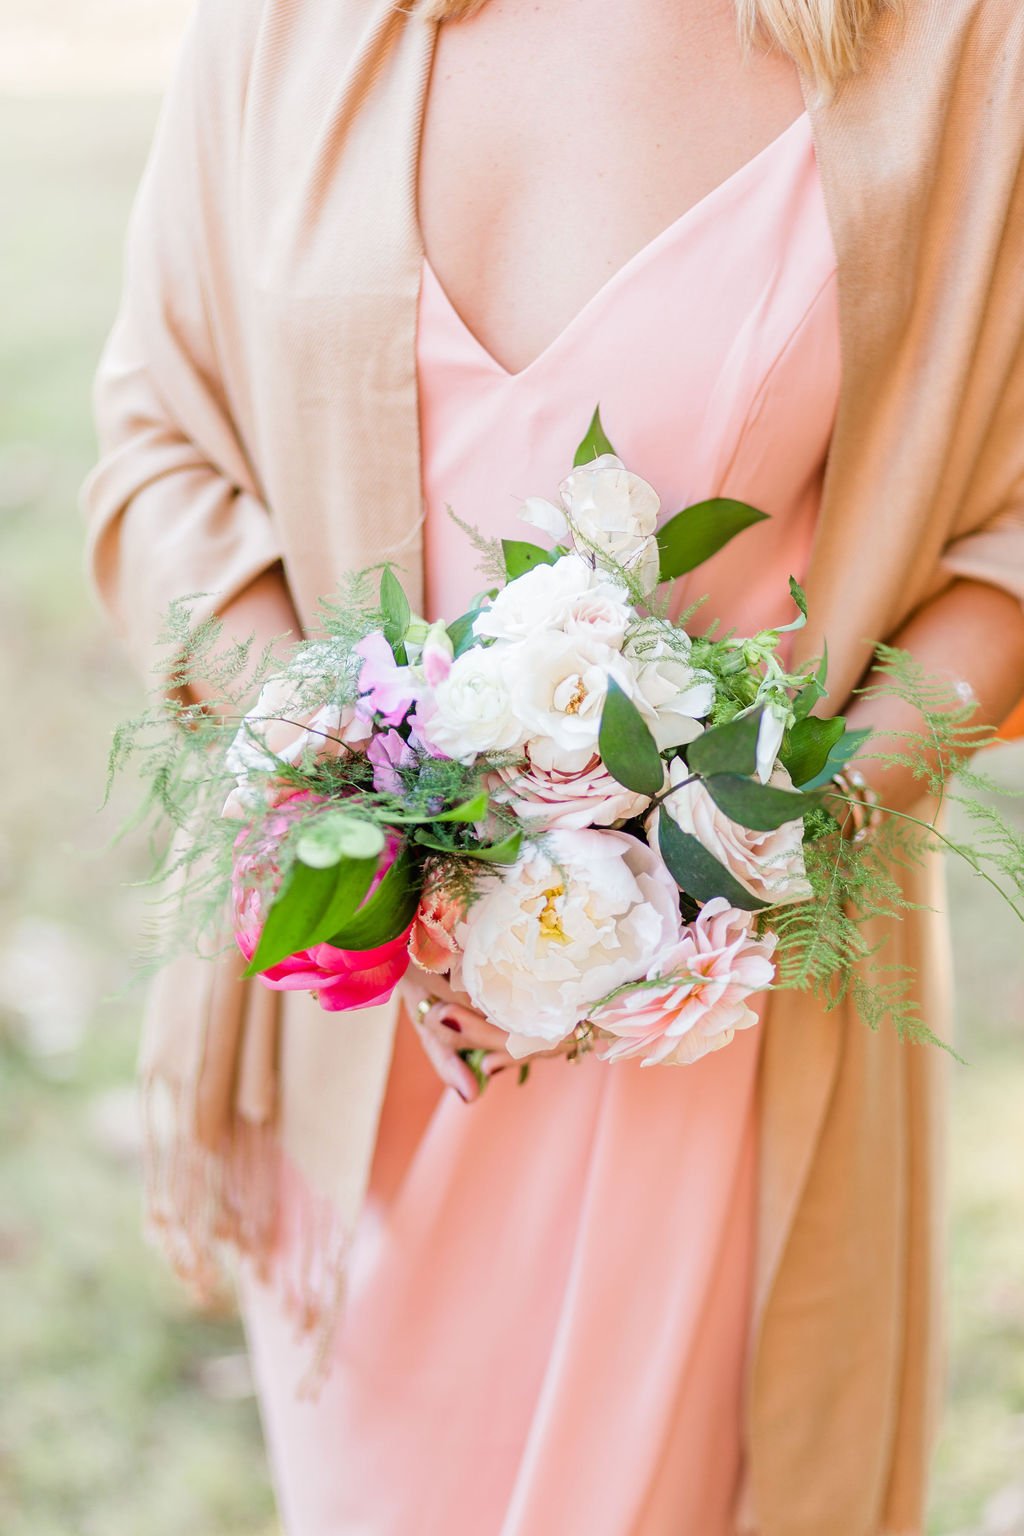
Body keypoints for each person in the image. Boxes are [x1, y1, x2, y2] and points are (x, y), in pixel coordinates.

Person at [82, 1, 1024, 1531]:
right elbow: (158, 446)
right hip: (371, 1047)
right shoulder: (288, 27)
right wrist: (340, 765)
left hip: (725, 1048)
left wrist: (769, 837)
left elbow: (1008, 534)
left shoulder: (953, 42)